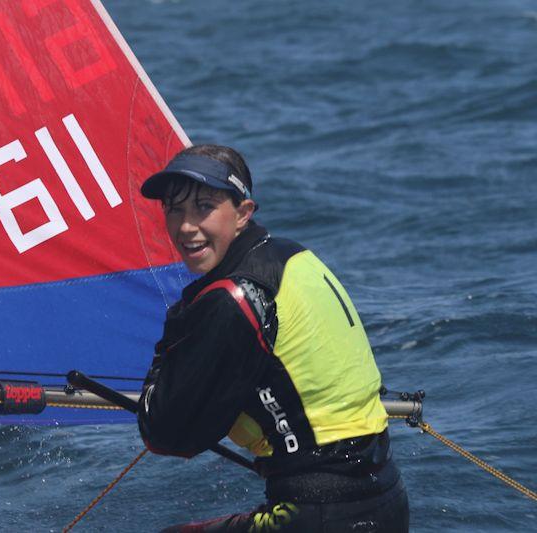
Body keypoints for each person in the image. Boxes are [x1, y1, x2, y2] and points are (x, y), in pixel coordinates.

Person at [137, 144, 409, 532]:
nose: (185, 226)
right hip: (385, 501)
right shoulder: (292, 256)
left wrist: (177, 329)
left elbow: (165, 435)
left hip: (318, 514)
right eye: (174, 209)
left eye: (204, 207)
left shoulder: (231, 299)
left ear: (243, 213)